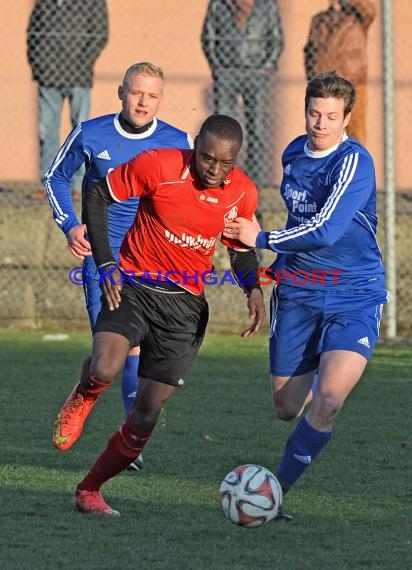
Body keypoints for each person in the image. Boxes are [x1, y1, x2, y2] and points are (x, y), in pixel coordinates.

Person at [52, 114, 266, 516]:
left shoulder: (243, 193)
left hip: (184, 308)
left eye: (226, 163)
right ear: (195, 145)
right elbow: (98, 195)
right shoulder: (159, 164)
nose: (215, 170)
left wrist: (252, 287)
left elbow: (239, 248)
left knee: (146, 414)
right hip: (133, 285)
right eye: (207, 158)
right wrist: (106, 263)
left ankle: (90, 490)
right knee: (105, 365)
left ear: (236, 159)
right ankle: (86, 391)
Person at [224, 72, 388, 519]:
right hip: (298, 294)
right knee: (286, 407)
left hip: (354, 293)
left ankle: (274, 494)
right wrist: (272, 269)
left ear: (347, 119)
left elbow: (327, 228)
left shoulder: (355, 162)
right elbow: (302, 219)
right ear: (305, 111)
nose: (321, 123)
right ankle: (320, 362)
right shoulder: (293, 153)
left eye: (331, 116)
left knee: (329, 400)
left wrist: (264, 238)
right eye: (315, 113)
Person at [47, 62, 194, 471]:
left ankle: (132, 442)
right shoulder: (91, 132)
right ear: (121, 92)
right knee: (110, 355)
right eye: (136, 92)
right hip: (103, 259)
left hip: (153, 261)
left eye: (152, 95)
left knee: (138, 349)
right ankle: (85, 390)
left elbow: (193, 193)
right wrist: (70, 225)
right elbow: (56, 177)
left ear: (160, 99)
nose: (143, 101)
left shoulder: (178, 141)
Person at [27, 0, 109, 200]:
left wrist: (83, 63)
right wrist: (38, 65)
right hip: (48, 76)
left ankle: (78, 185)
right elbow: (33, 33)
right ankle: (48, 184)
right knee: (47, 131)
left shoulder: (93, 2)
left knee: (81, 132)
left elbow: (100, 34)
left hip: (78, 76)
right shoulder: (45, 2)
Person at [201, 0, 284, 197]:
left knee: (258, 129)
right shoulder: (219, 4)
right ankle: (222, 181)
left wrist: (266, 67)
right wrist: (217, 68)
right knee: (222, 130)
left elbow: (276, 39)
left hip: (257, 73)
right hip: (227, 72)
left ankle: (253, 186)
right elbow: (208, 36)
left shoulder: (267, 5)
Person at [303, 0, 376, 145]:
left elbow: (369, 11)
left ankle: (358, 164)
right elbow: (309, 51)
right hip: (324, 87)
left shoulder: (357, 19)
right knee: (322, 132)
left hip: (353, 83)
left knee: (356, 132)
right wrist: (312, 79)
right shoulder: (319, 20)